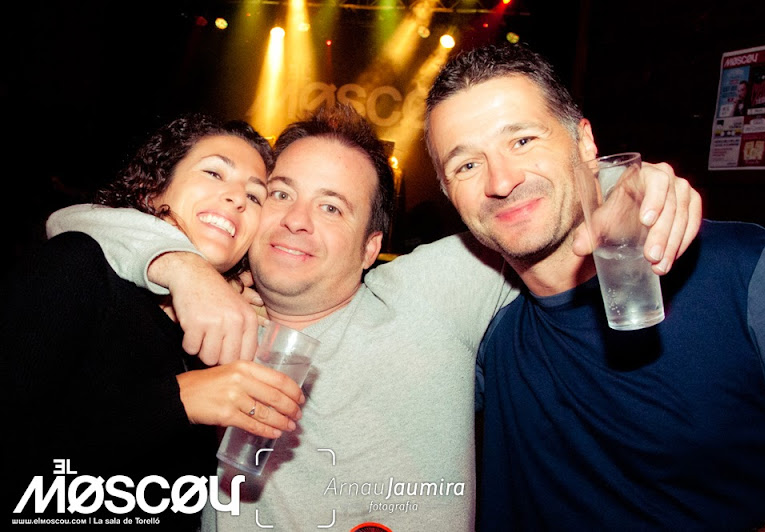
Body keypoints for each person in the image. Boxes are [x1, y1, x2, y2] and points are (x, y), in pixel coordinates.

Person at [46, 100, 699, 530]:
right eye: (281, 194)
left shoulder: (430, 291)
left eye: (333, 207)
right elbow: (72, 221)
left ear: (370, 248)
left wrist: (633, 186)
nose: (297, 220)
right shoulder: (211, 321)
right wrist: (183, 268)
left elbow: (532, 205)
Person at [423, 44, 765, 530]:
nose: (501, 180)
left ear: (584, 143)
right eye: (466, 165)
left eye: (522, 141)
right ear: (448, 194)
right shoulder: (481, 336)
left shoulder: (749, 273)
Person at [3, 113, 305, 529]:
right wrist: (178, 401)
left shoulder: (218, 329)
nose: (237, 198)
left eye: (255, 196)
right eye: (214, 172)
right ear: (154, 186)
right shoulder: (76, 268)